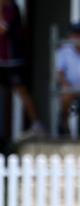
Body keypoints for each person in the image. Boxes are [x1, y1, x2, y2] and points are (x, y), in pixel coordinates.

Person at [0, 0, 44, 138]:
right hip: (1, 59)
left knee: (22, 91)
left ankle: (37, 125)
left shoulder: (12, 8)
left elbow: (3, 29)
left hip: (13, 60)